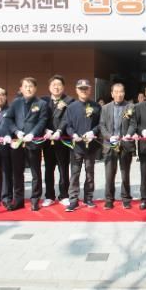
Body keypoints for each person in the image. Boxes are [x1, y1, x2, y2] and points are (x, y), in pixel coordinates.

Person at [1, 77, 49, 211]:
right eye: (26, 86)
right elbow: (8, 119)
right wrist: (16, 131)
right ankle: (18, 200)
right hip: (18, 142)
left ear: (35, 88)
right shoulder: (16, 102)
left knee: (35, 172)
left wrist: (33, 133)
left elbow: (42, 121)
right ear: (21, 89)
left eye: (31, 86)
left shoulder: (41, 104)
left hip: (33, 142)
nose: (28, 89)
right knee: (17, 172)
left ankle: (35, 199)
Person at [62, 79, 102, 212]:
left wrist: (93, 132)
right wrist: (73, 134)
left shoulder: (96, 106)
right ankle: (73, 200)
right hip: (76, 146)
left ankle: (88, 198)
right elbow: (67, 125)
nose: (83, 91)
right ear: (76, 90)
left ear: (90, 89)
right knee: (75, 173)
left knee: (90, 172)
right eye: (81, 88)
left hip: (91, 145)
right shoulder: (71, 107)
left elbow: (101, 124)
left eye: (86, 88)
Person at [41, 75, 74, 207]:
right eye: (53, 84)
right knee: (48, 169)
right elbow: (40, 118)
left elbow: (67, 119)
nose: (56, 87)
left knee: (63, 168)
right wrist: (45, 130)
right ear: (49, 87)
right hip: (48, 140)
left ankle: (64, 195)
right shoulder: (43, 101)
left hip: (62, 140)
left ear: (63, 87)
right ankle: (49, 196)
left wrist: (59, 131)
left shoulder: (69, 101)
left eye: (59, 84)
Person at [100, 83, 134, 209]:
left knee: (125, 174)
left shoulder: (130, 107)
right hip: (110, 144)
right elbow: (102, 125)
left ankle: (126, 198)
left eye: (121, 92)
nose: (119, 94)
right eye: (116, 92)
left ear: (124, 93)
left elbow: (133, 124)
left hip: (125, 144)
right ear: (112, 93)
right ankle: (109, 199)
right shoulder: (105, 108)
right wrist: (109, 136)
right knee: (109, 174)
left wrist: (128, 134)